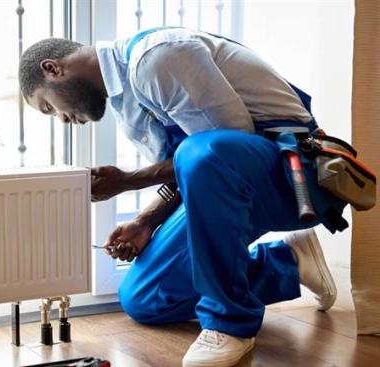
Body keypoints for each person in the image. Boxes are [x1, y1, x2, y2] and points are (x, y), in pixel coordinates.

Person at [18, 27, 346, 367]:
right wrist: (146, 221)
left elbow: (222, 145)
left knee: (204, 153)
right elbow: (191, 171)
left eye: (48, 107)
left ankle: (230, 324)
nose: (63, 119)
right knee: (143, 298)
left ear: (52, 68)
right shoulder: (125, 104)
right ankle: (288, 262)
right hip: (231, 181)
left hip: (297, 180)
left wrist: (128, 181)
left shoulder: (156, 58)